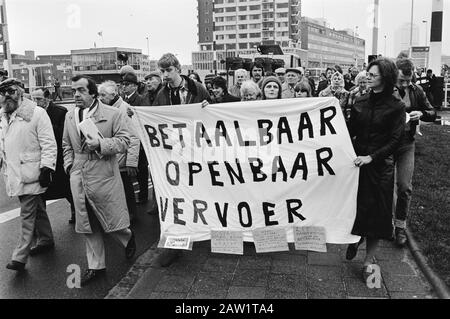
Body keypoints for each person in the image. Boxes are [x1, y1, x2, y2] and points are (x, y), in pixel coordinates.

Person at [62, 75, 136, 286]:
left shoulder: (113, 114)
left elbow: (125, 141)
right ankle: (96, 266)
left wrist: (101, 145)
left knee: (110, 217)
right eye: (73, 90)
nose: (76, 95)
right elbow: (66, 144)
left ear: (93, 93)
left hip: (103, 172)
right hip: (79, 173)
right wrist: (69, 165)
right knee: (87, 222)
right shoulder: (70, 116)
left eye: (81, 90)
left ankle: (127, 236)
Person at [346, 58, 406, 283]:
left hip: (381, 168)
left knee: (378, 218)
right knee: (358, 209)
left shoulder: (396, 106)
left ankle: (368, 261)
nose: (368, 77)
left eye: (373, 74)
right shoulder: (359, 101)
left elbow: (396, 140)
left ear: (386, 78)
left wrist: (372, 157)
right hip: (357, 165)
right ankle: (355, 239)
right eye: (368, 73)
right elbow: (348, 131)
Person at [152, 53, 210, 267]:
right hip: (174, 153)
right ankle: (175, 246)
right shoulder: (161, 94)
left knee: (197, 195)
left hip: (195, 151)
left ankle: (201, 233)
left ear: (177, 69)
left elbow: (210, 113)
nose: (165, 75)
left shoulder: (197, 89)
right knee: (176, 197)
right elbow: (157, 119)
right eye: (162, 71)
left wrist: (206, 106)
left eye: (168, 70)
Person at [0, 78, 57, 271]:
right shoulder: (3, 116)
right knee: (37, 208)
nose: (7, 96)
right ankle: (47, 238)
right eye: (3, 92)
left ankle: (20, 256)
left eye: (11, 91)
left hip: (32, 172)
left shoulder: (37, 114)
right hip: (14, 173)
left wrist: (47, 167)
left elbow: (49, 142)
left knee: (27, 214)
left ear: (20, 93)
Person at [392, 58, 437, 247]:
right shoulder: (384, 90)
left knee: (404, 186)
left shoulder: (417, 91)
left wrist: (422, 114)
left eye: (408, 80)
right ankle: (380, 224)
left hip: (406, 143)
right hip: (385, 144)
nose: (405, 84)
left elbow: (432, 112)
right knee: (381, 186)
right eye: (401, 80)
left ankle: (400, 227)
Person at [31, 89, 76, 225]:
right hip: (43, 158)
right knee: (41, 191)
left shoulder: (60, 112)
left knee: (67, 188)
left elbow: (64, 135)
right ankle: (42, 223)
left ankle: (75, 211)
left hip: (59, 157)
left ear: (47, 98)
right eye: (34, 99)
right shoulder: (34, 114)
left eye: (39, 99)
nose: (36, 102)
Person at [98, 81, 140, 223]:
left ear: (113, 94)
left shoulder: (124, 109)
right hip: (112, 156)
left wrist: (131, 162)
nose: (100, 98)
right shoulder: (107, 109)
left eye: (103, 95)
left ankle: (131, 215)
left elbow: (134, 137)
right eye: (99, 95)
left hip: (122, 159)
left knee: (126, 190)